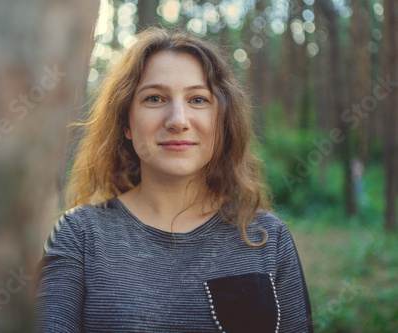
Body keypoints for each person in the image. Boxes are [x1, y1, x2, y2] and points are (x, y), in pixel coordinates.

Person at [35, 27, 313, 333]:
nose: (178, 120)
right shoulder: (80, 235)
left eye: (197, 100)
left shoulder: (267, 238)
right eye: (154, 99)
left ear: (221, 121)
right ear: (126, 122)